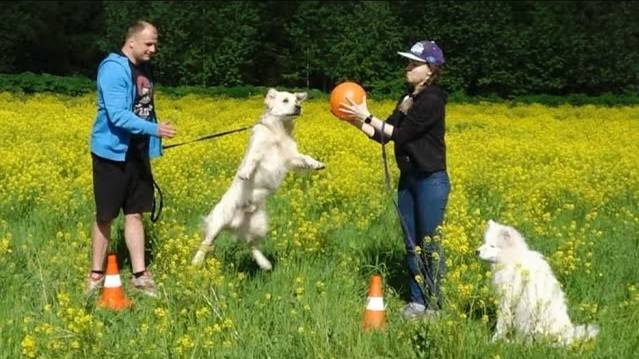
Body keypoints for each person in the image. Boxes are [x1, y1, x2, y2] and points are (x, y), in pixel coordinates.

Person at [340, 40, 451, 320]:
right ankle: (417, 303)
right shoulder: (407, 98)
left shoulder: (433, 99)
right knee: (411, 243)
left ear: (431, 70)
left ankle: (434, 305)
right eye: (409, 62)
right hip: (409, 180)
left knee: (429, 245)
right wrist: (356, 121)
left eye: (414, 63)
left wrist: (369, 115)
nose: (408, 67)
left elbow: (401, 135)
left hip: (430, 181)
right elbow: (383, 134)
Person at [85, 20, 176, 297]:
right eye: (149, 43)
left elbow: (145, 109)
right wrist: (155, 130)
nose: (153, 49)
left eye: (156, 44)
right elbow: (117, 115)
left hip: (136, 153)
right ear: (132, 42)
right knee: (105, 216)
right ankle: (96, 275)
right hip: (111, 153)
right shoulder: (113, 68)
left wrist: (153, 141)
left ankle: (140, 274)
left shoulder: (145, 69)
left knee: (135, 213)